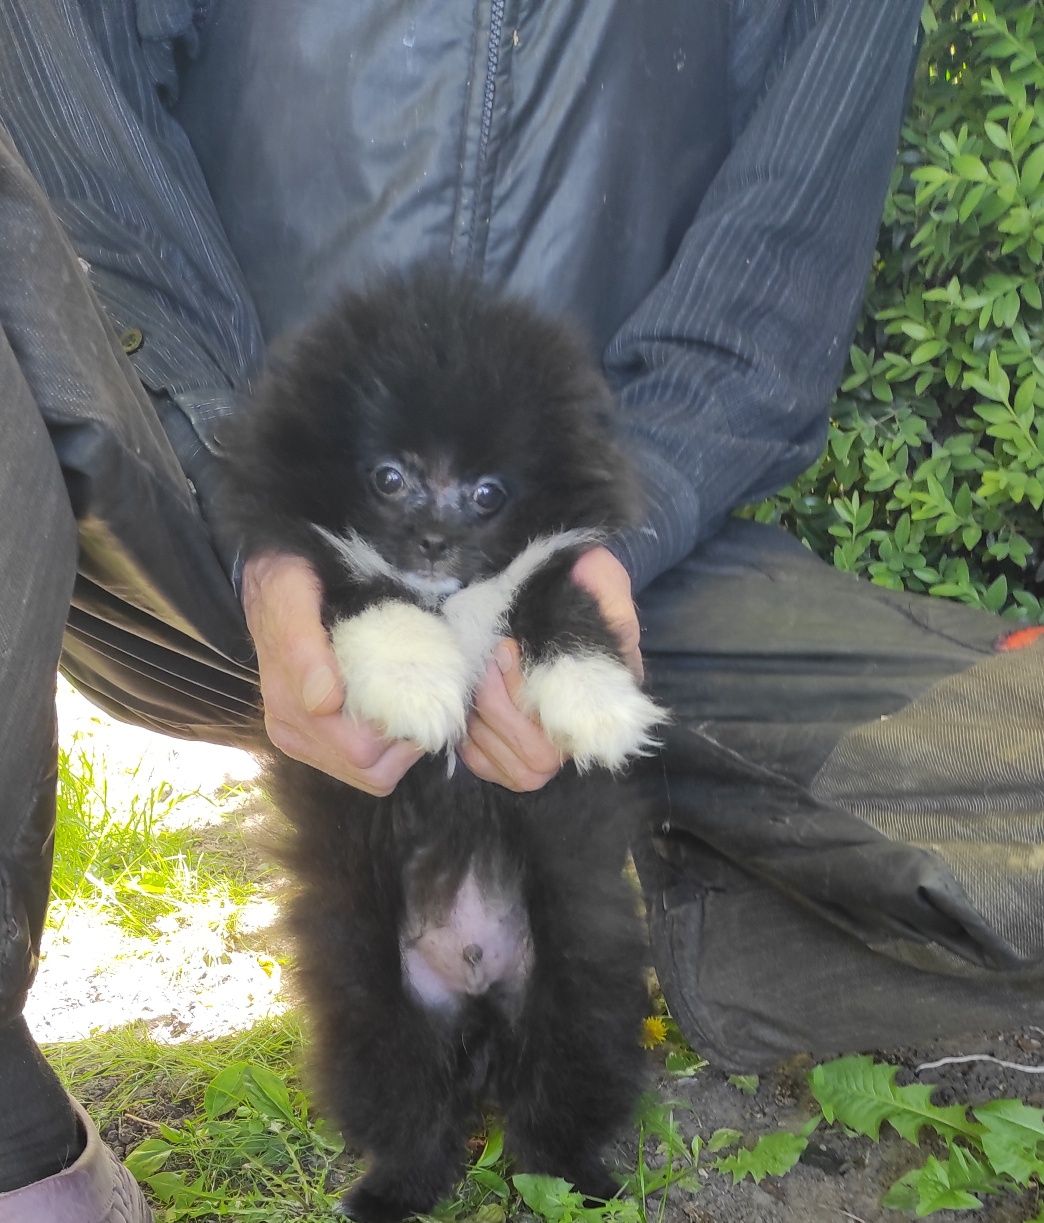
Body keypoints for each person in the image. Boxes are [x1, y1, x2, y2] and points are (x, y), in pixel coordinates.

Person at [0, 2, 1040, 1219]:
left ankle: (710, 925)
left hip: (588, 556)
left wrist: (613, 537)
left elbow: (755, 322)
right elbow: (69, 156)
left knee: (1013, 777)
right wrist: (264, 514)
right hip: (184, 512)